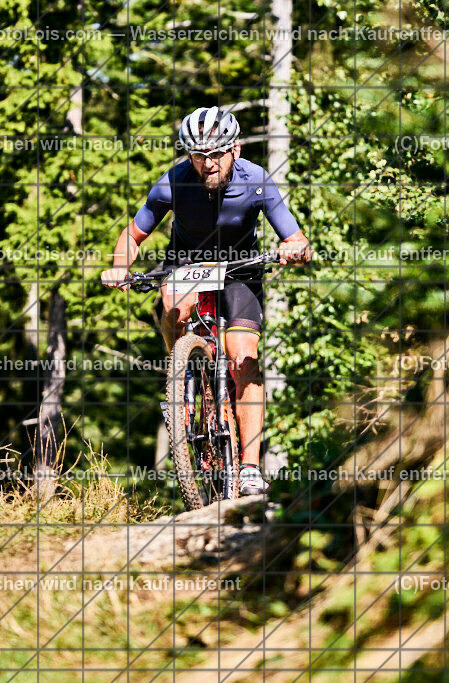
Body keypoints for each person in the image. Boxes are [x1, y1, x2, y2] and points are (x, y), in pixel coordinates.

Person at [101, 106, 311, 496]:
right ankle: (178, 376)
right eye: (198, 155)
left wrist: (295, 248)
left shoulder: (256, 180)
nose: (208, 163)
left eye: (216, 153)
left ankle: (249, 467)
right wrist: (118, 266)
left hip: (241, 267)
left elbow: (295, 238)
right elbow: (132, 235)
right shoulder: (174, 182)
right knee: (175, 307)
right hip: (187, 262)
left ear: (235, 149)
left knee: (243, 355)